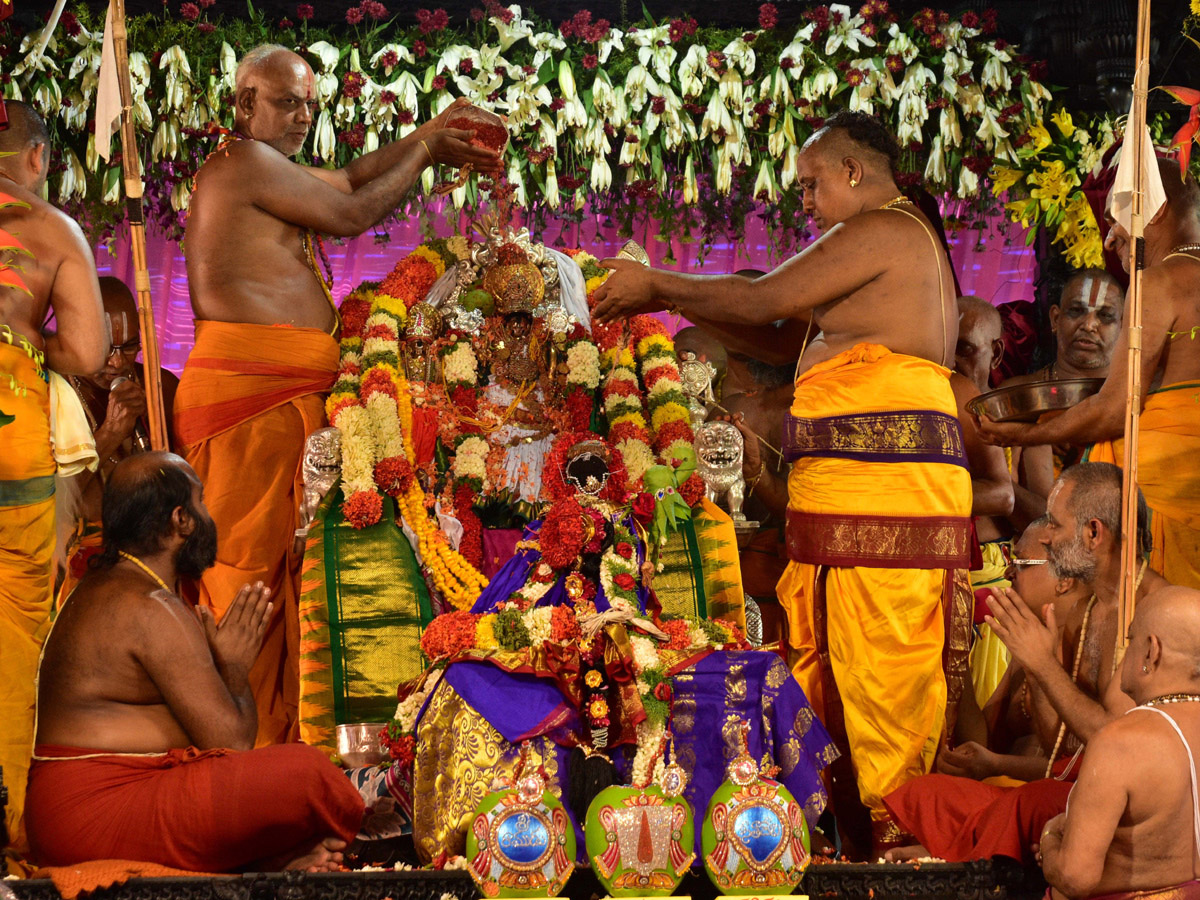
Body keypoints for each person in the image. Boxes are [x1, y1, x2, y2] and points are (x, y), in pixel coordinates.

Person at [593, 109, 972, 855]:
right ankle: (859, 840)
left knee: (881, 668)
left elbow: (766, 298)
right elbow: (769, 319)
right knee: (835, 663)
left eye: (810, 184)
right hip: (850, 494)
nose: (803, 202)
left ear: (853, 172)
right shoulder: (887, 237)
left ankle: (907, 845)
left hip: (886, 498)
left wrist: (659, 286)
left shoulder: (885, 228)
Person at [177, 45, 502, 745]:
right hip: (250, 397)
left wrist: (426, 133)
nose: (301, 118)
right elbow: (352, 212)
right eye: (286, 102)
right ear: (243, 105)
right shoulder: (242, 161)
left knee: (292, 576)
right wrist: (429, 154)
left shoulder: (266, 169)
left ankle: (287, 747)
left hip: (280, 392)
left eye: (310, 107)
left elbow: (349, 175)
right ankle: (241, 749)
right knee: (245, 580)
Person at [25, 452, 364, 872]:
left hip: (86, 808)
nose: (209, 515)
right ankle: (313, 847)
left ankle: (275, 860)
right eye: (201, 502)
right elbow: (232, 743)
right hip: (95, 812)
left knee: (280, 778)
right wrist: (235, 672)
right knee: (309, 775)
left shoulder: (113, 587)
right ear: (180, 519)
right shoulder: (147, 605)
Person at [884, 463, 1166, 865]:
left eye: (1054, 524)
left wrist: (1042, 665)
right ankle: (955, 850)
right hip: (1080, 785)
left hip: (1141, 800)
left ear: (1093, 533)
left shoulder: (1152, 608)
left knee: (1030, 802)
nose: (1046, 537)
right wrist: (1038, 665)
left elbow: (1121, 745)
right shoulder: (1093, 610)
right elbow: (1060, 752)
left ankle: (953, 855)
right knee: (931, 792)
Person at [978, 159, 1200, 591]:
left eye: (1116, 220)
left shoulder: (1159, 281)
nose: (1111, 237)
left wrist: (1021, 436)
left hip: (1169, 498)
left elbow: (1115, 411)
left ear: (1152, 212)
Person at [0, 100, 105, 857]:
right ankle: (4, 836)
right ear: (36, 157)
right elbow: (89, 354)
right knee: (12, 639)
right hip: (14, 443)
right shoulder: (51, 230)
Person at [1040, 585, 1200, 900]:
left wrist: (1049, 841)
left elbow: (1076, 877)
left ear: (1152, 652)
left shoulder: (1120, 741)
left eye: (1130, 641)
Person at [59, 278, 180, 600]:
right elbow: (50, 501)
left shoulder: (160, 388)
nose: (117, 362)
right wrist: (111, 434)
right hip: (77, 574)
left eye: (128, 347)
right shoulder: (50, 392)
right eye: (103, 348)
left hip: (153, 568)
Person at [999, 269, 1124, 530]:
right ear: (1055, 318)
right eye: (1076, 311)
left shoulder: (1133, 402)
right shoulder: (1015, 397)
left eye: (1105, 316)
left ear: (1124, 328)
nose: (1089, 325)